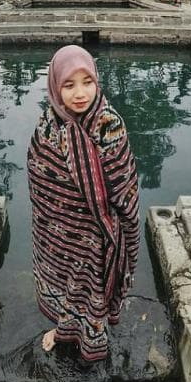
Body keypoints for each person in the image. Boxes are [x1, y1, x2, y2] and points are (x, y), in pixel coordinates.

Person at [27, 45, 140, 362]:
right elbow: (39, 178)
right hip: (58, 233)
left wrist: (116, 231)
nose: (80, 93)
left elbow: (125, 186)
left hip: (97, 235)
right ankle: (64, 329)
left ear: (96, 81)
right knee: (64, 283)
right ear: (55, 86)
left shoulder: (109, 125)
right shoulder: (47, 124)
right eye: (69, 84)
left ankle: (91, 340)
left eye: (87, 82)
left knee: (90, 289)